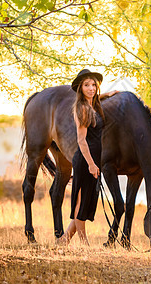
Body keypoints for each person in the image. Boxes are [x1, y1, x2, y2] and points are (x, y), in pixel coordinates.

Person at [57, 69, 118, 246]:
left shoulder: (93, 105)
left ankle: (64, 240)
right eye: (86, 85)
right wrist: (91, 164)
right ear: (80, 88)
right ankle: (85, 244)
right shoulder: (82, 109)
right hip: (85, 160)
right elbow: (81, 140)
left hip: (93, 159)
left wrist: (108, 94)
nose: (91, 88)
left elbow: (97, 97)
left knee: (86, 201)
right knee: (81, 202)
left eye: (93, 85)